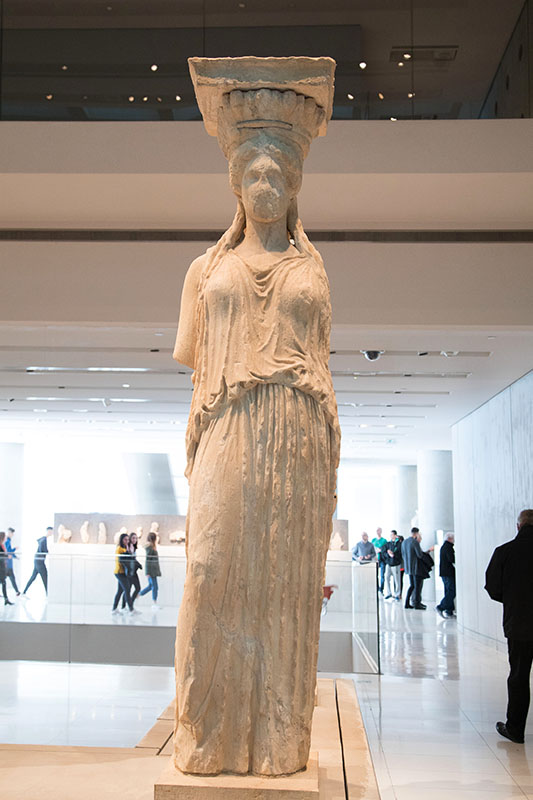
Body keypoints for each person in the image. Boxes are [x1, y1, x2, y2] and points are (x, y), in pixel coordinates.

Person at [172, 61, 340, 776]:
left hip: (296, 433)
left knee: (281, 583)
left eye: (279, 177)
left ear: (292, 188)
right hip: (229, 424)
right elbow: (192, 355)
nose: (267, 187)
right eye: (255, 177)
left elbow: (322, 361)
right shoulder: (204, 270)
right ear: (236, 188)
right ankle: (206, 737)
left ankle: (275, 739)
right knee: (210, 571)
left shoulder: (313, 268)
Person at [485, 509, 533, 744]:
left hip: (520, 624)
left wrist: (514, 598)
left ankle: (515, 728)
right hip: (520, 623)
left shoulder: (505, 552)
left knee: (519, 677)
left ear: (518, 526)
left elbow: (492, 588)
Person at [401, 527, 433, 609]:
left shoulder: (404, 542)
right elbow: (419, 555)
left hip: (408, 567)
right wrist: (428, 551)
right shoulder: (414, 542)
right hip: (416, 567)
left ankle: (407, 602)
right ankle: (417, 604)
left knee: (412, 585)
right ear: (416, 534)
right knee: (417, 586)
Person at [22, 526, 53, 596]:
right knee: (45, 576)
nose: (52, 533)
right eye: (51, 531)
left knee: (33, 577)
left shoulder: (43, 539)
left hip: (38, 560)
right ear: (49, 531)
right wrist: (48, 552)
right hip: (39, 561)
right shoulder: (44, 540)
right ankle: (48, 594)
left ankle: (24, 592)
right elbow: (43, 549)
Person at [112, 532, 135, 614]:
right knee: (127, 589)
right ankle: (131, 609)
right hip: (119, 572)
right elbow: (122, 560)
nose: (127, 541)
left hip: (123, 572)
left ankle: (114, 608)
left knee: (120, 591)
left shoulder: (125, 548)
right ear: (121, 540)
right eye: (125, 539)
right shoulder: (119, 549)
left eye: (128, 540)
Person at [139, 532, 161, 609]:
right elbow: (148, 560)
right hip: (151, 571)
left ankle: (137, 595)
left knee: (151, 586)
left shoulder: (152, 547)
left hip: (153, 570)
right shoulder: (150, 547)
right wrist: (147, 572)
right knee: (154, 586)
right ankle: (154, 603)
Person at [436, 533, 456, 618]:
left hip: (444, 573)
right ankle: (441, 607)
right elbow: (451, 559)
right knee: (452, 592)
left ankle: (449, 610)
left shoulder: (444, 546)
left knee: (448, 591)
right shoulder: (448, 547)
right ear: (450, 539)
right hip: (448, 573)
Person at [121, 531, 142, 609]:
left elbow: (133, 559)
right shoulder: (128, 547)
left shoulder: (134, 547)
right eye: (133, 538)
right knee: (127, 590)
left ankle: (130, 604)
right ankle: (124, 607)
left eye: (136, 538)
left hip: (134, 571)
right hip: (129, 572)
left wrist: (138, 565)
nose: (135, 539)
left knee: (138, 588)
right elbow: (126, 559)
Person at [383, 530, 402, 600]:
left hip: (396, 564)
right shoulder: (388, 544)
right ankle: (388, 593)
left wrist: (393, 554)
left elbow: (400, 553)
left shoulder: (399, 544)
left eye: (392, 535)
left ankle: (397, 594)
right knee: (386, 578)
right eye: (390, 535)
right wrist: (388, 554)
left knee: (397, 580)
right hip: (388, 564)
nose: (391, 536)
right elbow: (383, 552)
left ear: (395, 535)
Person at [5, 527, 20, 596]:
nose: (13, 535)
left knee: (11, 578)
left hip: (8, 563)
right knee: (10, 577)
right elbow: (8, 551)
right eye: (12, 533)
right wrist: (15, 549)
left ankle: (17, 591)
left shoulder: (7, 541)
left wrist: (15, 556)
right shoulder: (7, 541)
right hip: (7, 564)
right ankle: (17, 591)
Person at [0, 532, 14, 605]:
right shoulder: (0, 546)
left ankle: (6, 599)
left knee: (3, 583)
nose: (6, 538)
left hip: (2, 567)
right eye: (5, 537)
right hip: (0, 568)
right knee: (3, 583)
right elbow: (2, 555)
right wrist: (7, 557)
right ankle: (6, 599)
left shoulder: (2, 545)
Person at [372, 527, 388, 593]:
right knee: (375, 575)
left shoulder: (384, 540)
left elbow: (386, 549)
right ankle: (377, 587)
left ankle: (381, 588)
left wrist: (381, 550)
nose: (378, 532)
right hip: (375, 559)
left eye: (379, 530)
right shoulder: (373, 540)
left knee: (382, 575)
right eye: (377, 530)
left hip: (382, 559)